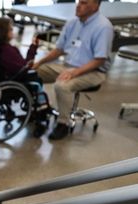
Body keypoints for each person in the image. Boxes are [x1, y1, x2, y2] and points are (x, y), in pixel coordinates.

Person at [30, 0, 113, 140]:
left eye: (84, 3)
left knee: (61, 85)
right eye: (79, 2)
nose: (78, 5)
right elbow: (59, 50)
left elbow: (100, 60)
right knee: (32, 73)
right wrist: (39, 63)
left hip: (93, 72)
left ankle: (63, 124)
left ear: (95, 6)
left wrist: (74, 72)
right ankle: (37, 111)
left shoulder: (103, 27)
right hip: (68, 66)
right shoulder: (72, 23)